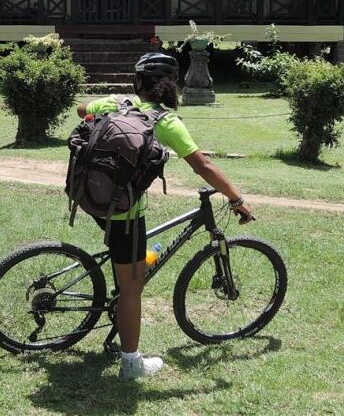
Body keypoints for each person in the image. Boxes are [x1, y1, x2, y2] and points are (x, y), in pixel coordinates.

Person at [76, 52, 252, 381]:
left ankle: (126, 279)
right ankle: (131, 364)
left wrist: (108, 108)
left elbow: (82, 109)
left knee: (132, 263)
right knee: (132, 288)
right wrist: (235, 197)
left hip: (91, 197)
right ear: (171, 86)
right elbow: (204, 165)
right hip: (125, 212)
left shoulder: (117, 102)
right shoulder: (165, 121)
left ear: (138, 81)